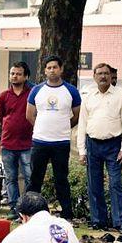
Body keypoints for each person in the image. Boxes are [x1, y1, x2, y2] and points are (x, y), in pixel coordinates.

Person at [78, 63, 122, 233]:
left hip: (113, 145)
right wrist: (82, 150)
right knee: (94, 185)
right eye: (100, 73)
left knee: (115, 184)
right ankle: (98, 220)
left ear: (111, 76)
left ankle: (119, 222)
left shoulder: (121, 95)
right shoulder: (88, 96)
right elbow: (82, 124)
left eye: (106, 74)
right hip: (92, 144)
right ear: (94, 76)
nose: (103, 76)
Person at [26, 55, 81, 220]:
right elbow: (29, 115)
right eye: (48, 68)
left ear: (61, 69)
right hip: (40, 141)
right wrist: (44, 128)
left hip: (61, 142)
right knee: (35, 178)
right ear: (44, 70)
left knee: (61, 179)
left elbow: (76, 116)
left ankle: (67, 213)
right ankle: (28, 211)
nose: (52, 70)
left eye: (55, 67)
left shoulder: (71, 90)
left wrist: (62, 127)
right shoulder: (37, 90)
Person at [0, 62, 33, 221]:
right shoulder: (3, 96)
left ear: (26, 76)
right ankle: (14, 208)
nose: (14, 76)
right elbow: (1, 116)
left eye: (18, 74)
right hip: (8, 144)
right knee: (10, 178)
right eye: (12, 73)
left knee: (29, 177)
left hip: (28, 144)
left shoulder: (33, 93)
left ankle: (29, 209)